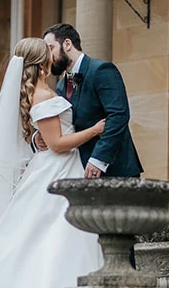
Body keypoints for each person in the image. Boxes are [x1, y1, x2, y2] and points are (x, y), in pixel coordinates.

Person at [0, 36, 108, 288]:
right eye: (48, 51)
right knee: (55, 229)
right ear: (42, 60)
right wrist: (94, 131)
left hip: (55, 167)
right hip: (58, 168)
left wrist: (37, 138)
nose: (52, 53)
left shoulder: (41, 92)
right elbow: (57, 144)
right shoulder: (44, 95)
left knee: (45, 231)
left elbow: (46, 137)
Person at [37, 23, 142, 178]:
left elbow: (118, 116)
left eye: (50, 48)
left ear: (67, 44)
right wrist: (39, 136)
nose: (47, 56)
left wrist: (99, 159)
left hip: (114, 170)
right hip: (77, 169)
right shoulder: (60, 86)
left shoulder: (101, 70)